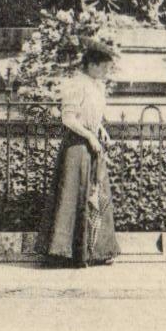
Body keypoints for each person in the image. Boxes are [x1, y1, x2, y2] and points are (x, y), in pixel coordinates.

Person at [37, 39, 119, 268]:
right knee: (73, 196)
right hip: (76, 147)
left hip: (91, 144)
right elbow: (68, 118)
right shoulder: (76, 84)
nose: (106, 72)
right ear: (92, 65)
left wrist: (99, 130)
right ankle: (65, 253)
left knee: (96, 196)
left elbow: (91, 115)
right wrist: (90, 136)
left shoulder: (96, 86)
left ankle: (96, 252)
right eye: (104, 67)